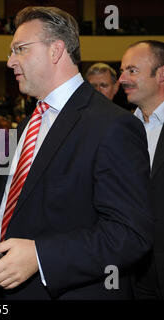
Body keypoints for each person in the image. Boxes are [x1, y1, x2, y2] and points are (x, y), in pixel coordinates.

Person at [0, 6, 153, 300]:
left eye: (20, 49)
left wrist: (41, 256)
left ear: (56, 50)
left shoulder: (112, 125)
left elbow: (130, 235)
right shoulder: (31, 120)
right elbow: (7, 183)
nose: (10, 61)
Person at [119, 40, 164, 299]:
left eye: (132, 70)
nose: (122, 78)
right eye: (122, 70)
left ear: (161, 74)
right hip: (129, 271)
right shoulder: (120, 127)